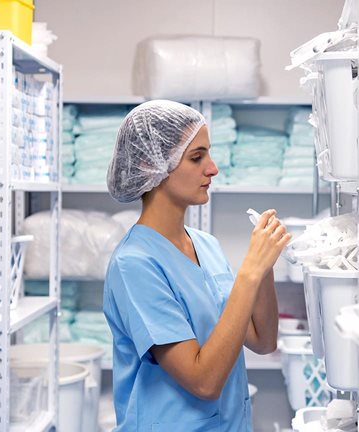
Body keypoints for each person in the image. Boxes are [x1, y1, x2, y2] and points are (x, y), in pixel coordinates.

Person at [103, 100, 290, 431]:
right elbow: (204, 381)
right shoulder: (134, 264)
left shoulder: (207, 245)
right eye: (196, 157)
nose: (213, 168)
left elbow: (263, 341)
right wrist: (249, 271)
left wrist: (264, 266)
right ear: (152, 165)